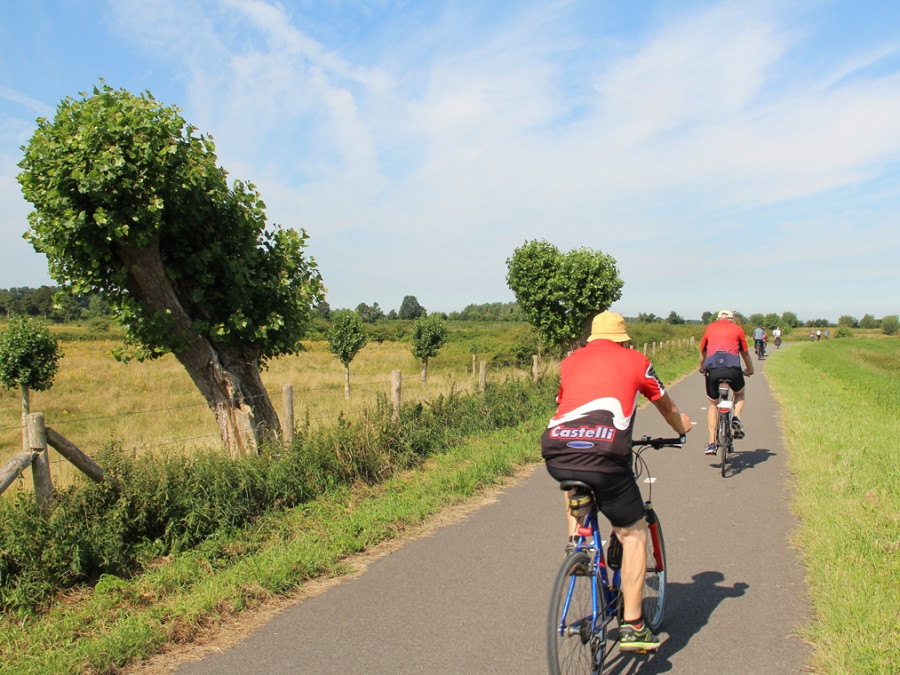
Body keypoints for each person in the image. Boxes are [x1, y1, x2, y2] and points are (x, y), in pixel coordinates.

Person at [541, 311, 692, 653]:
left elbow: (563, 402)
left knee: (575, 477)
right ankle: (634, 625)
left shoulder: (571, 361)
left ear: (593, 337)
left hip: (556, 446)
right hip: (607, 454)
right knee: (633, 533)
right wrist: (681, 428)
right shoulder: (636, 361)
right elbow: (664, 404)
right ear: (623, 339)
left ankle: (578, 544)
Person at [698, 310, 754, 455]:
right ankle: (736, 418)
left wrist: (701, 367)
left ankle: (711, 443)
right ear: (731, 319)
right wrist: (750, 369)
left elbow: (703, 352)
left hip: (713, 369)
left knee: (713, 404)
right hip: (732, 369)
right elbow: (745, 353)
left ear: (718, 319)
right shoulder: (737, 329)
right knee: (740, 393)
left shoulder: (710, 328)